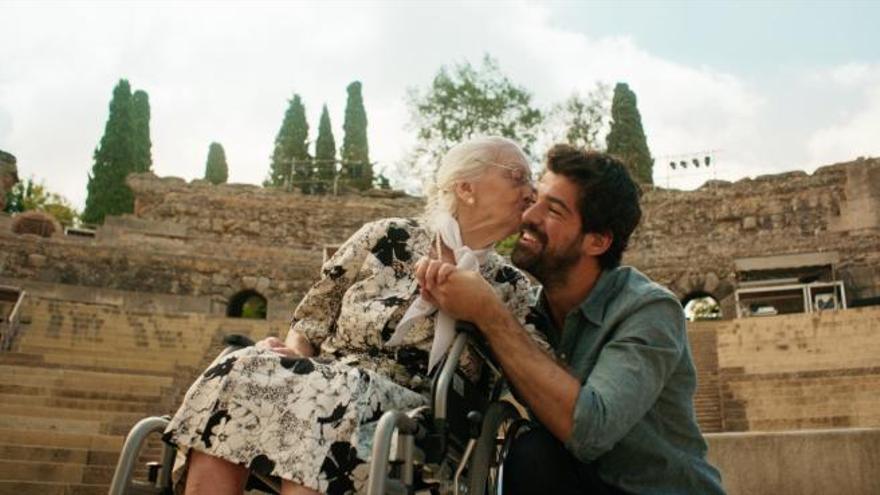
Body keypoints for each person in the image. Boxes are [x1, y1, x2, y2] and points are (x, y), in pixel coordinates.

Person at [163, 136, 550, 495]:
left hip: (416, 409)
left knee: (332, 393)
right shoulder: (386, 237)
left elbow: (527, 369)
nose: (530, 191)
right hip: (330, 377)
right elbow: (312, 319)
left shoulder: (511, 287)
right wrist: (294, 355)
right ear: (465, 188)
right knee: (241, 366)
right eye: (518, 177)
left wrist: (483, 308)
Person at [416, 145, 725, 494]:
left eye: (554, 210)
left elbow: (590, 431)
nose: (528, 215)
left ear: (597, 241)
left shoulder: (649, 310)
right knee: (530, 451)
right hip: (577, 482)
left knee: (534, 453)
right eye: (535, 199)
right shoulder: (528, 310)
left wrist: (490, 314)